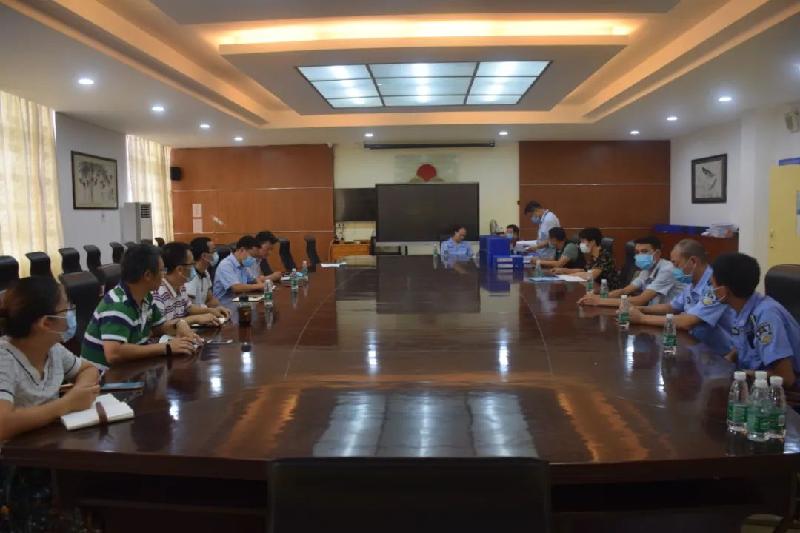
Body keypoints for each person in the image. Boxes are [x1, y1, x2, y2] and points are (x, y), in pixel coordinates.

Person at [0, 276, 100, 440]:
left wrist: (79, 392)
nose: (71, 313)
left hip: (48, 444)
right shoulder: (4, 359)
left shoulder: (53, 349)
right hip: (13, 453)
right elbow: (3, 425)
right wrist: (67, 403)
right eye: (66, 309)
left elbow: (88, 369)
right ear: (46, 323)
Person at [81, 243, 201, 367]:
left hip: (130, 368)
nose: (164, 275)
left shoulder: (146, 297)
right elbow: (114, 353)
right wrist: (165, 347)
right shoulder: (118, 304)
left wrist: (179, 324)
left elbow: (159, 327)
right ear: (148, 275)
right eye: (162, 270)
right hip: (104, 375)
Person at [706, 252, 800, 387]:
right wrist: (727, 360)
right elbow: (745, 345)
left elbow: (785, 378)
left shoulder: (766, 317)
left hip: (785, 394)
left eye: (712, 284)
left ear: (724, 291)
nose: (711, 289)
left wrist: (739, 375)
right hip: (755, 384)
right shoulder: (741, 309)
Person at [626, 239, 733, 354]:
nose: (673, 269)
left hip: (720, 355)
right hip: (696, 347)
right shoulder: (692, 281)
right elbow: (672, 307)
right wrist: (640, 309)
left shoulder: (714, 284)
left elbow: (688, 321)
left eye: (676, 264)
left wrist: (642, 318)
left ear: (693, 261)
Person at [579, 236, 680, 307]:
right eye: (637, 252)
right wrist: (596, 297)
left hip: (669, 316)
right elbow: (624, 291)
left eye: (644, 251)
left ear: (657, 253)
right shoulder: (647, 269)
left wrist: (599, 301)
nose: (640, 255)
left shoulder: (667, 269)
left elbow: (640, 300)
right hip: (653, 311)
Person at [153, 242, 230, 326]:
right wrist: (195, 319)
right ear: (179, 270)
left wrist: (211, 311)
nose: (194, 267)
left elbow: (188, 307)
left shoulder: (180, 285)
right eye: (192, 264)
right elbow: (162, 327)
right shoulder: (158, 293)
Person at [554, 227, 621, 289]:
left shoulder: (604, 256)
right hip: (596, 286)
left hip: (608, 290)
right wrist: (563, 270)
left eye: (583, 241)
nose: (580, 244)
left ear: (592, 242)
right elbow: (584, 271)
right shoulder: (593, 256)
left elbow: (591, 275)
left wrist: (569, 276)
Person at [212, 235, 265, 309]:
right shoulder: (226, 265)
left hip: (239, 302)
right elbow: (236, 287)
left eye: (255, 257)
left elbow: (254, 279)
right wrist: (259, 286)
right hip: (224, 306)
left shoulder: (243, 265)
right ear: (242, 250)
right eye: (252, 256)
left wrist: (261, 285)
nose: (253, 260)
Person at [187, 237, 221, 308]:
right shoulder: (190, 275)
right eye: (213, 251)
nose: (216, 254)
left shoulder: (205, 272)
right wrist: (210, 310)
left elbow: (210, 299)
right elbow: (189, 308)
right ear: (204, 256)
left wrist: (220, 307)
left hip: (204, 312)